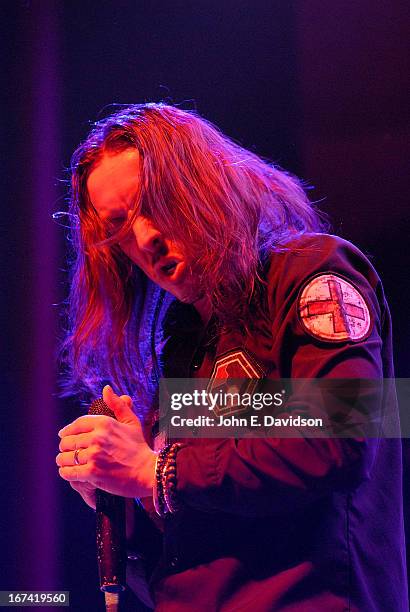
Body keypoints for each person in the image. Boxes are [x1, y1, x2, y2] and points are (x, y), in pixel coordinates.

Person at [56, 103, 408, 611]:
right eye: (119, 225)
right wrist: (126, 489)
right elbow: (205, 524)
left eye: (154, 203)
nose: (145, 237)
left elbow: (344, 434)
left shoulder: (310, 271)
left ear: (202, 185)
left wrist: (155, 472)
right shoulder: (185, 336)